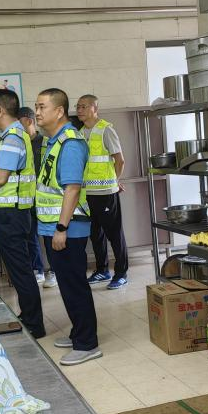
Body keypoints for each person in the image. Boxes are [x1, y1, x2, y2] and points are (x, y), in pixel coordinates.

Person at [35, 88, 100, 366]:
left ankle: (87, 344)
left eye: (42, 107)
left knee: (74, 285)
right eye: (36, 107)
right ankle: (78, 333)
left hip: (67, 229)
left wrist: (61, 228)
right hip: (55, 227)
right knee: (67, 284)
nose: (37, 112)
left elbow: (72, 189)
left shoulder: (70, 143)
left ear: (59, 111)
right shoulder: (54, 141)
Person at [0, 89, 45, 339]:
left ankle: (34, 323)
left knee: (20, 270)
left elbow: (0, 178)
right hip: (12, 212)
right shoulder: (13, 136)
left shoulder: (12, 138)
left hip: (11, 214)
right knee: (18, 269)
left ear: (0, 110)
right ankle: (29, 316)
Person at [77, 94, 129, 289]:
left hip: (106, 193)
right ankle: (102, 270)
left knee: (114, 234)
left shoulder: (106, 130)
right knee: (95, 234)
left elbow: (120, 160)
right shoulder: (80, 133)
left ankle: (121, 273)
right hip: (87, 194)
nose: (79, 110)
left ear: (94, 108)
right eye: (78, 107)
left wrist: (115, 181)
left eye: (83, 106)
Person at [18, 106, 56, 288]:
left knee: (49, 237)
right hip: (28, 199)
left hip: (46, 200)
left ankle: (54, 271)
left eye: (19, 124)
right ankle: (37, 270)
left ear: (29, 121)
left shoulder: (46, 143)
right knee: (30, 236)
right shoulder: (19, 144)